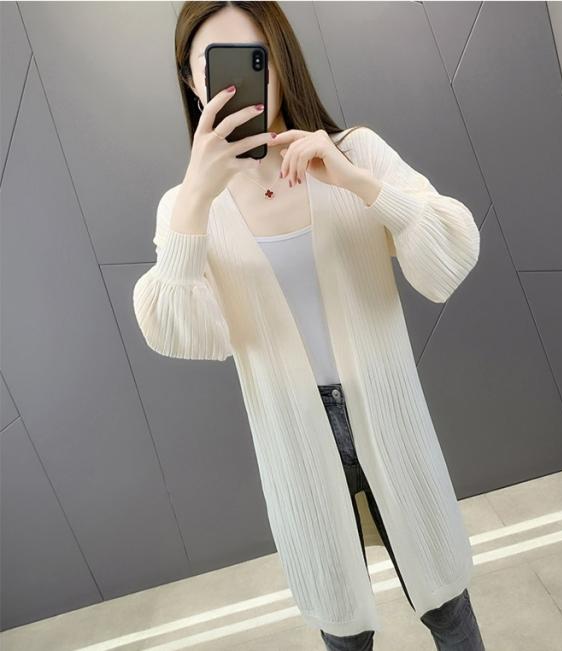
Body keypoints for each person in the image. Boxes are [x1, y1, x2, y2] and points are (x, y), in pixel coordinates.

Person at [133, 2, 485, 649]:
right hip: (293, 436)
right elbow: (177, 328)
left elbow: (452, 251)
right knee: (342, 628)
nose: (237, 81)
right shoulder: (186, 209)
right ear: (190, 80)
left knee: (447, 605)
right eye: (213, 64)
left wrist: (357, 183)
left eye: (254, 57)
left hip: (387, 410)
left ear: (279, 58)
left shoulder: (356, 152)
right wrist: (196, 199)